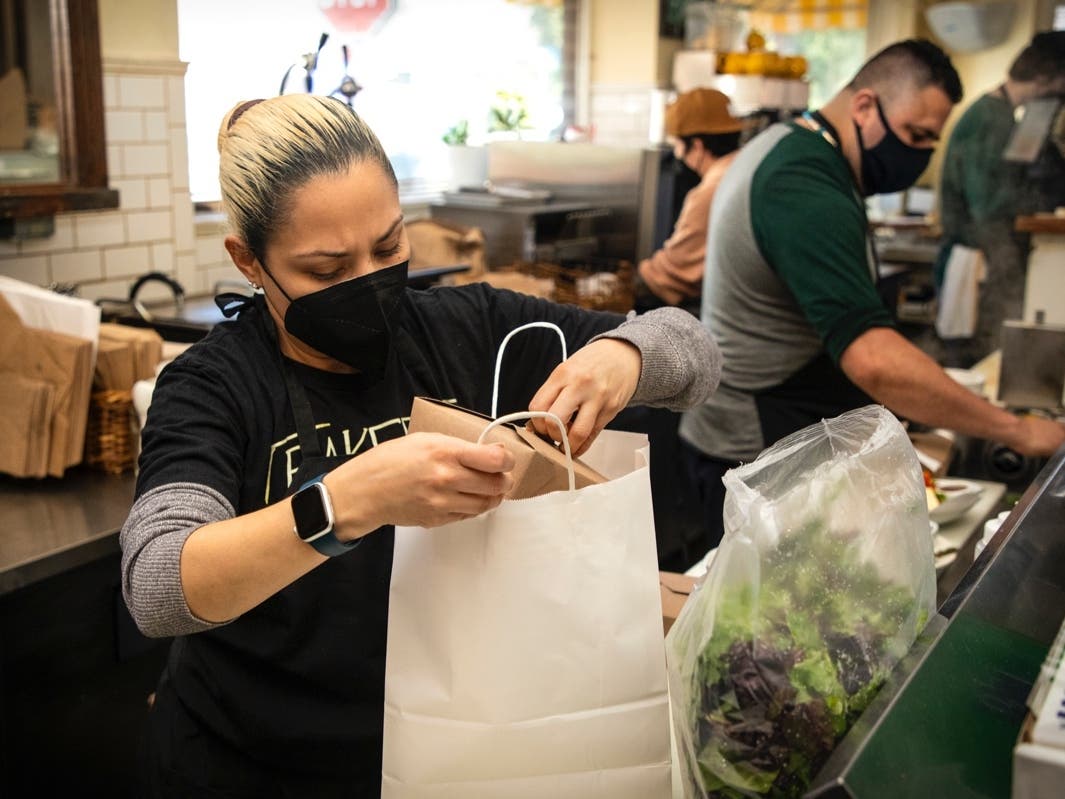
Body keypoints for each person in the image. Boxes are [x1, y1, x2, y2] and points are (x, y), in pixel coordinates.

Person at [120, 93, 721, 797]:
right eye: (325, 269)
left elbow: (694, 351)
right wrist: (345, 502)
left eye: (388, 246)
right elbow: (157, 585)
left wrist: (623, 353)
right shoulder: (214, 385)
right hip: (256, 763)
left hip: (456, 745)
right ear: (249, 261)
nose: (368, 283)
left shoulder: (466, 327)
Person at [679, 38, 1065, 552]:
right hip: (758, 452)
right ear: (864, 106)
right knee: (774, 623)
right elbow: (874, 361)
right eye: (916, 134)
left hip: (781, 430)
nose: (921, 155)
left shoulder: (802, 150)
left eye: (932, 142)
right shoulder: (801, 181)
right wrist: (1016, 430)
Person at [937, 30, 1065, 366]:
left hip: (989, 259)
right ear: (1047, 78)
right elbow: (989, 207)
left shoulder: (1006, 116)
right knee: (972, 363)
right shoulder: (988, 120)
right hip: (977, 262)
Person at [636, 88, 744, 313]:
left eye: (677, 144)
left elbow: (675, 269)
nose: (677, 154)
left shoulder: (712, 190)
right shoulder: (743, 168)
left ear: (696, 145)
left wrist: (636, 279)